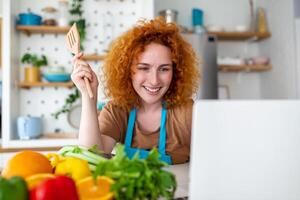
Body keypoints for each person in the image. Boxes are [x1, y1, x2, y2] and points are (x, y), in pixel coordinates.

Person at [71, 18, 200, 164]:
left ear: (175, 72)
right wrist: (89, 96)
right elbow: (91, 157)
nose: (154, 80)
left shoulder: (186, 112)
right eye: (144, 68)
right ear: (128, 70)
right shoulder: (118, 110)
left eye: (164, 69)